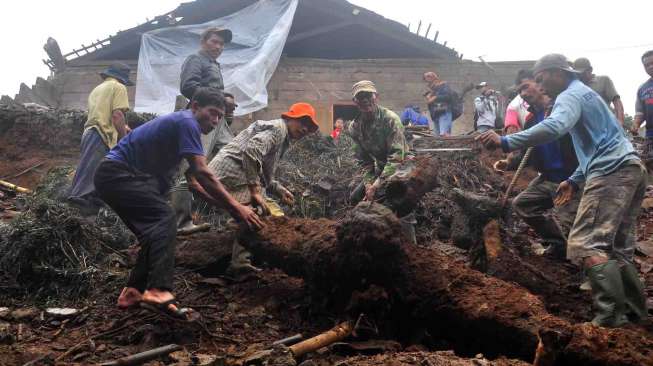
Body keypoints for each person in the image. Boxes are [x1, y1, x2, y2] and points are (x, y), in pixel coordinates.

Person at [478, 54, 647, 328]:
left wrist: (506, 141)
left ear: (558, 73)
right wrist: (576, 178)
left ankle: (609, 318)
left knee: (585, 243)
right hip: (629, 168)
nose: (541, 85)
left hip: (611, 172)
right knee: (615, 247)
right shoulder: (586, 95)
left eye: (542, 79)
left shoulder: (570, 95)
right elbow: (599, 143)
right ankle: (635, 314)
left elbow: (556, 127)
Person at [94, 88, 263, 320]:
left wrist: (229, 210)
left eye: (220, 117)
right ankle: (158, 290)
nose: (214, 121)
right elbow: (204, 173)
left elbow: (194, 183)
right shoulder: (187, 122)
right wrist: (237, 207)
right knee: (165, 219)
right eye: (212, 113)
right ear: (194, 107)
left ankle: (133, 292)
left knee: (153, 234)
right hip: (119, 174)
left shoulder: (183, 130)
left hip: (116, 177)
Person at [208, 102, 319, 274]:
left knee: (265, 210)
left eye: (309, 127)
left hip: (235, 175)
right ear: (290, 117)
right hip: (228, 173)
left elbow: (264, 173)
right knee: (256, 210)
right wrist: (254, 191)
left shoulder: (283, 138)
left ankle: (238, 239)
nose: (305, 129)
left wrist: (278, 188)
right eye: (302, 122)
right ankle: (239, 265)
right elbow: (252, 152)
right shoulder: (277, 129)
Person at [496, 78, 579, 259]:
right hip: (548, 178)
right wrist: (509, 163)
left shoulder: (563, 108)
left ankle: (587, 269)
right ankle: (559, 245)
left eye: (526, 87)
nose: (524, 93)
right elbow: (528, 151)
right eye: (520, 91)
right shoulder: (532, 119)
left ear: (540, 84)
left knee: (572, 223)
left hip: (573, 178)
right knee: (523, 204)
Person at [171, 27, 233, 235]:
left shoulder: (213, 64)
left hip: (218, 119)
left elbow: (212, 90)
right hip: (202, 117)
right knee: (190, 168)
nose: (218, 47)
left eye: (222, 44)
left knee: (233, 156)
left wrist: (226, 99)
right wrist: (220, 99)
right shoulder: (195, 59)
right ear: (203, 41)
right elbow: (188, 86)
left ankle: (232, 212)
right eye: (214, 42)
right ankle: (181, 222)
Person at [347, 80, 415, 244]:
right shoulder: (354, 127)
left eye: (368, 95)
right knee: (356, 197)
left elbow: (397, 156)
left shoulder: (390, 119)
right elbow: (363, 161)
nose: (365, 100)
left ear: (376, 97)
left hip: (403, 166)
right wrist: (370, 183)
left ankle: (410, 247)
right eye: (360, 97)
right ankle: (369, 242)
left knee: (398, 201)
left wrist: (378, 184)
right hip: (381, 167)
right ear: (355, 101)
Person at [67, 63, 132, 215]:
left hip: (90, 132)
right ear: (121, 78)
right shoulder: (118, 87)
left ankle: (90, 204)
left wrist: (125, 128)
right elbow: (117, 115)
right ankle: (77, 206)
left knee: (89, 169)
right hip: (101, 134)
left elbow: (102, 114)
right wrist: (123, 138)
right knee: (92, 172)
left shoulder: (97, 89)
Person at [573, 57, 625, 125]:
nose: (580, 75)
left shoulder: (603, 80)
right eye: (577, 73)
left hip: (607, 124)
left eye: (582, 72)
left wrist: (620, 122)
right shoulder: (576, 87)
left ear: (590, 69)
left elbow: (617, 101)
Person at [633, 50, 653, 170]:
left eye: (652, 63)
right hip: (651, 134)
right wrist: (635, 124)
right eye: (647, 65)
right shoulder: (642, 89)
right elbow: (640, 113)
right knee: (649, 164)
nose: (650, 66)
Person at [423, 72, 454, 136]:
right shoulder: (431, 89)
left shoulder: (443, 85)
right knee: (437, 137)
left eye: (428, 77)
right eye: (425, 78)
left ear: (433, 77)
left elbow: (448, 97)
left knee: (444, 135)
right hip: (435, 114)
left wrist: (434, 98)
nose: (427, 79)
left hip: (444, 112)